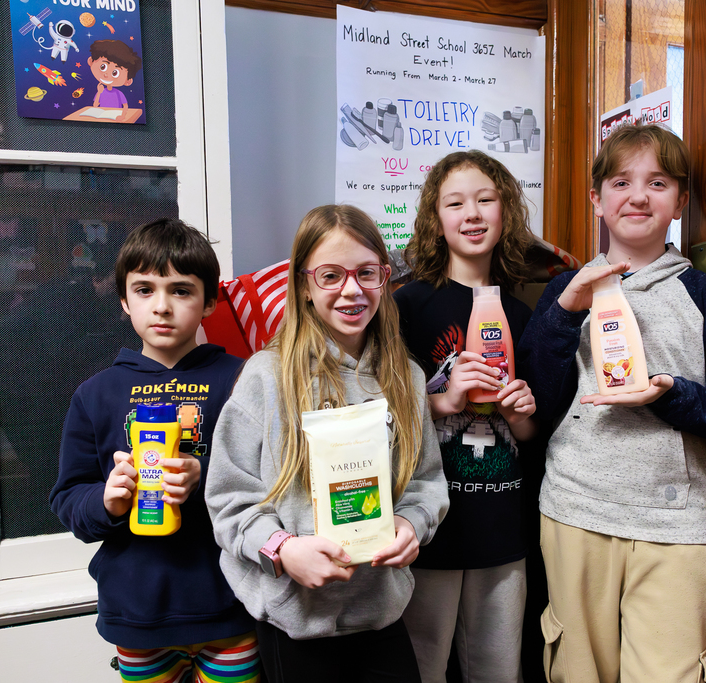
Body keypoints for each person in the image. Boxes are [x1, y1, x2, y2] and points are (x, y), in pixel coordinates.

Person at [518, 123, 706, 683]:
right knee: (576, 671)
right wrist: (563, 313)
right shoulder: (567, 291)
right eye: (620, 182)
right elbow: (535, 403)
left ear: (680, 202)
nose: (637, 196)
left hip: (675, 527)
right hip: (575, 513)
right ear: (597, 200)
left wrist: (673, 395)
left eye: (658, 183)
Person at [205, 205, 448, 683]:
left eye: (366, 273)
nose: (352, 290)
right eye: (331, 275)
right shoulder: (266, 378)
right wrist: (282, 550)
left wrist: (411, 523)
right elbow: (229, 501)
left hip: (381, 612)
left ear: (385, 278)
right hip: (295, 620)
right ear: (304, 285)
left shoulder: (406, 377)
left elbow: (426, 482)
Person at [50, 219, 259, 683]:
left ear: (209, 302)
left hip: (230, 607)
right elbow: (68, 500)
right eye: (144, 290)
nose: (162, 307)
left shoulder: (243, 380)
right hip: (138, 613)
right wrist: (107, 500)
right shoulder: (95, 394)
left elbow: (275, 478)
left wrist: (204, 472)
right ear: (124, 301)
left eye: (181, 291)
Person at [396, 150, 538, 683]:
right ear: (437, 218)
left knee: (498, 669)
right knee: (420, 667)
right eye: (455, 202)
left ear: (506, 214)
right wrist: (444, 400)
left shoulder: (523, 314)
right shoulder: (407, 306)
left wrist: (520, 411)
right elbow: (383, 412)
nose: (472, 213)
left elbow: (530, 433)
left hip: (503, 526)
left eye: (486, 199)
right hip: (428, 527)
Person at [88, 39, 141, 120]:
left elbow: (125, 106)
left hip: (115, 117)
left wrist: (123, 116)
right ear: (91, 61)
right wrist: (99, 92)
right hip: (102, 118)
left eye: (115, 73)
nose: (106, 75)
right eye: (103, 67)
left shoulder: (118, 93)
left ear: (128, 81)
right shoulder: (101, 92)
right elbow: (95, 106)